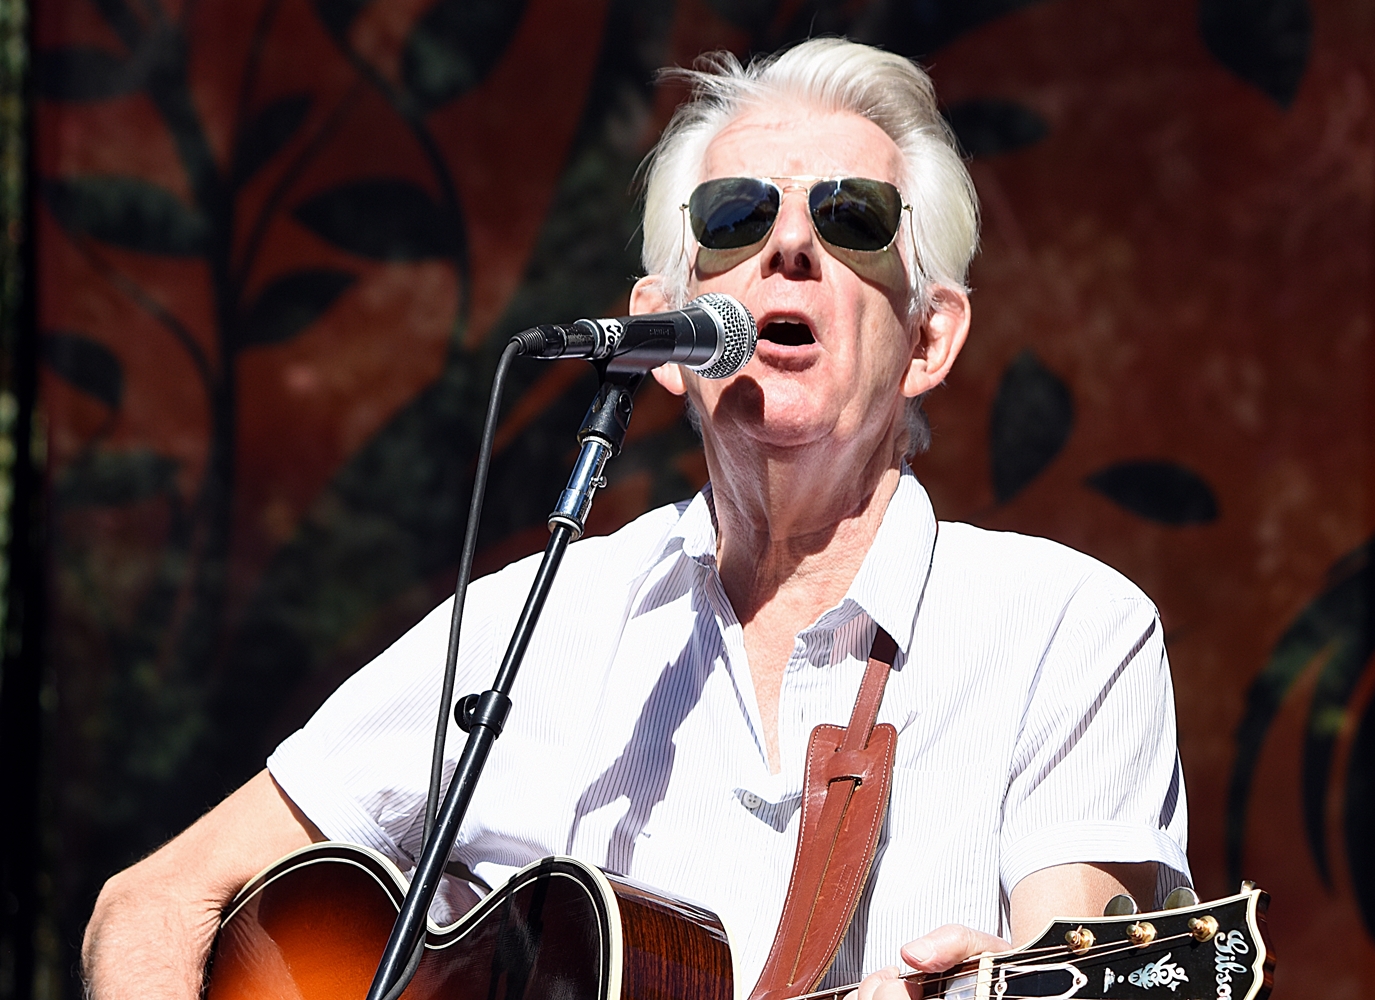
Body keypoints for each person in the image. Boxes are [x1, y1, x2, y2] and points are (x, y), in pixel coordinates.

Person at [81, 38, 1189, 1000]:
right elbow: (153, 905)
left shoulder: (1067, 632)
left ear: (931, 338)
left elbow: (1079, 956)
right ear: (661, 333)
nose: (790, 247)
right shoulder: (544, 622)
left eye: (852, 219)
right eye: (736, 217)